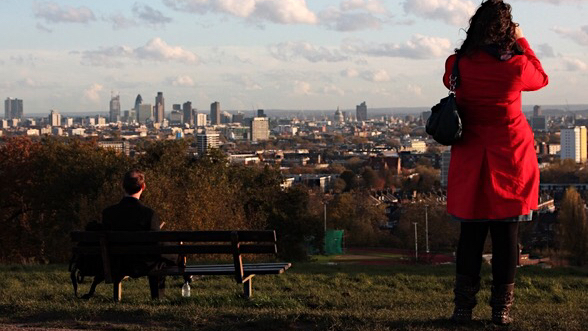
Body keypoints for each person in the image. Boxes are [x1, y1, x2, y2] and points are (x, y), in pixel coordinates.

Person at [443, 0, 548, 325]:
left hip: (471, 156)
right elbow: (541, 78)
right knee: (507, 238)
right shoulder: (517, 65)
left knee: (470, 237)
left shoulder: (458, 63)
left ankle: (463, 309)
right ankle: (500, 311)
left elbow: (449, 83)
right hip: (511, 157)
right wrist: (522, 41)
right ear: (506, 29)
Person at [102, 169, 169, 299]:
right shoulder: (149, 214)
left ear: (123, 186)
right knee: (163, 258)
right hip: (143, 265)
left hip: (116, 263)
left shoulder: (108, 213)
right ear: (143, 187)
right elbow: (156, 246)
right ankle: (158, 297)